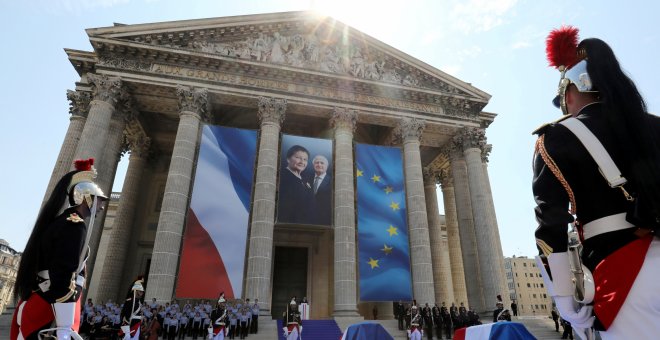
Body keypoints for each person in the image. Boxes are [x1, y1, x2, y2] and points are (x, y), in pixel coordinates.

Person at [533, 26, 660, 340]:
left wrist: (565, 300)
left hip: (625, 278)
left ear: (571, 92)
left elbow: (551, 222)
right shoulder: (653, 126)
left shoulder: (557, 136)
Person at [11, 158, 108, 340]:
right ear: (84, 198)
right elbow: (64, 274)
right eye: (98, 200)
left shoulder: (60, 222)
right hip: (52, 306)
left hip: (42, 300)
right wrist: (64, 327)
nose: (102, 206)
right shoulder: (74, 226)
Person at [277, 145, 314, 224]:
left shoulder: (305, 180)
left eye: (305, 159)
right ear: (288, 159)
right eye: (298, 158)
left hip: (307, 225)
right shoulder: (281, 177)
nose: (302, 162)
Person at [309, 155, 332, 225]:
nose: (319, 165)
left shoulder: (332, 181)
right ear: (313, 165)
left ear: (327, 166)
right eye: (317, 163)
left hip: (324, 221)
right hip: (306, 219)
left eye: (322, 163)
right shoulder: (306, 179)